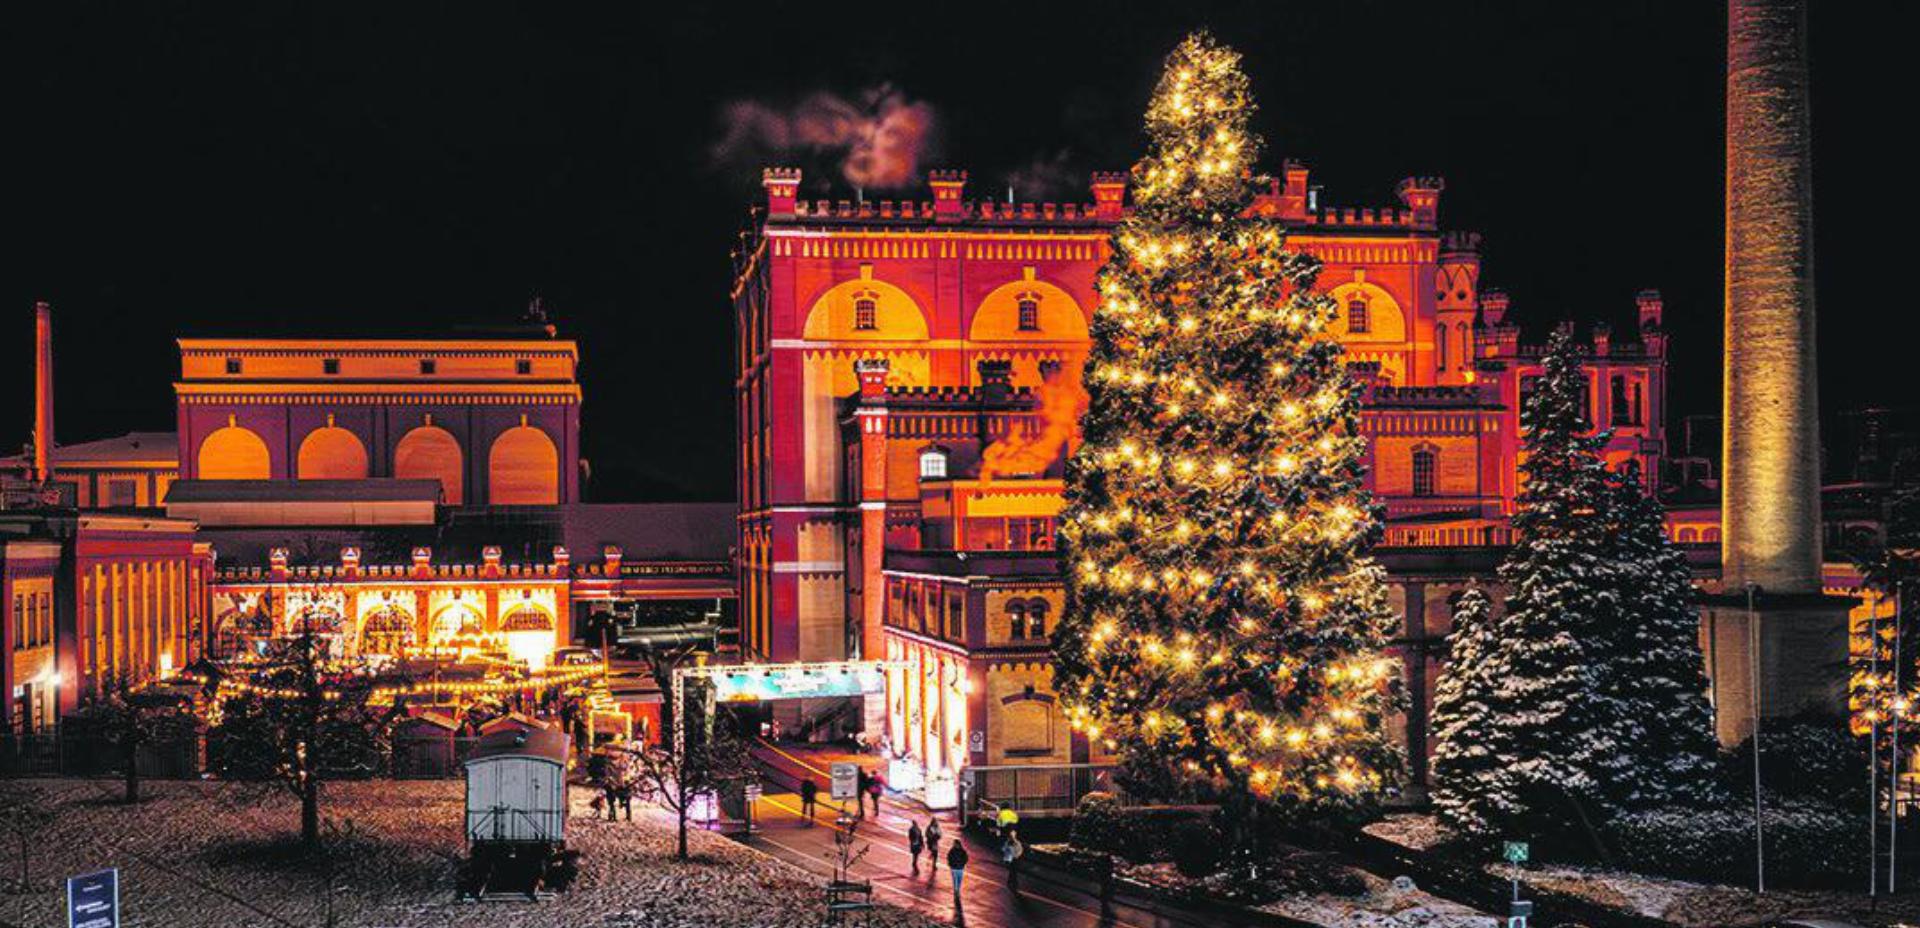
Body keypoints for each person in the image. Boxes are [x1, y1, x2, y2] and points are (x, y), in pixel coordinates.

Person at [947, 839, 970, 921]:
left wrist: (963, 864)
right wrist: (951, 864)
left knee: (959, 880)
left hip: (960, 868)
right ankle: (956, 891)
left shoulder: (962, 851)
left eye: (955, 844)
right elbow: (948, 857)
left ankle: (957, 890)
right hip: (954, 868)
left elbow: (966, 858)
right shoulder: (952, 851)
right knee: (955, 880)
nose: (954, 845)